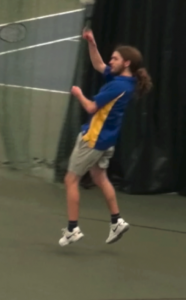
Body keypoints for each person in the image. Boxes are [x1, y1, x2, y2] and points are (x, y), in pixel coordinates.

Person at [59, 29, 152, 247]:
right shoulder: (125, 81)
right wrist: (92, 43)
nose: (111, 61)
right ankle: (116, 221)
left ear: (127, 63)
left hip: (93, 140)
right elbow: (99, 65)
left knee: (70, 180)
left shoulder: (116, 86)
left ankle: (72, 229)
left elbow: (91, 106)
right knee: (100, 177)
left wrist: (78, 93)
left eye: (116, 58)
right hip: (107, 141)